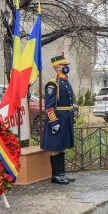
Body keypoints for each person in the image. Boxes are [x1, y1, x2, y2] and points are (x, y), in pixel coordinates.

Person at [42, 53, 77, 185]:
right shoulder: (53, 83)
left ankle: (62, 173)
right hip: (58, 119)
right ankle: (55, 175)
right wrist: (54, 122)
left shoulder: (64, 81)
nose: (66, 67)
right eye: (64, 65)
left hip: (65, 118)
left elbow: (64, 100)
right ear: (57, 67)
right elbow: (49, 106)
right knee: (55, 147)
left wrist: (72, 106)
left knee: (62, 147)